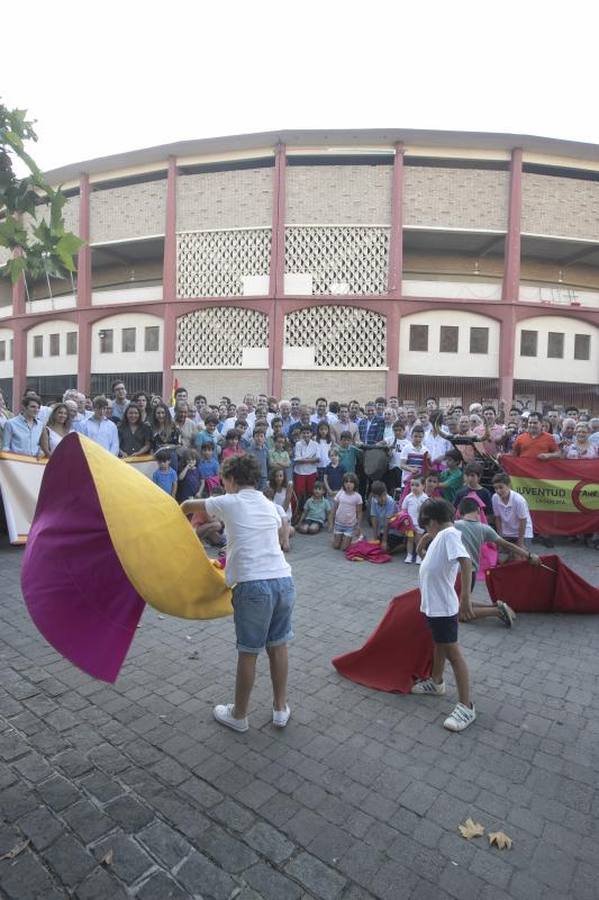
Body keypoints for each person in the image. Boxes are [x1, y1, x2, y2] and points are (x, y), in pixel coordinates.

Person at [182, 454, 295, 733]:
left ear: (230, 480)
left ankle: (239, 715)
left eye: (224, 480)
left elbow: (185, 505)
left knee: (248, 652)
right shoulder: (269, 504)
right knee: (278, 645)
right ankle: (280, 709)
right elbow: (282, 530)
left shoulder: (228, 501)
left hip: (253, 585)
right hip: (283, 579)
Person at [411, 498, 475, 733]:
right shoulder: (442, 535)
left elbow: (466, 562)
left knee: (454, 654)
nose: (425, 529)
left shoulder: (449, 535)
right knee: (439, 645)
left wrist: (466, 597)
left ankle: (466, 705)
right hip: (434, 606)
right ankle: (436, 682)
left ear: (435, 521)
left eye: (426, 525)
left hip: (444, 607)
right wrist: (427, 539)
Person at [453, 497, 540, 626]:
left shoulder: (455, 525)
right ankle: (495, 606)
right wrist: (529, 555)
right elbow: (508, 545)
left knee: (459, 613)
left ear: (460, 512)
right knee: (457, 601)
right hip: (471, 575)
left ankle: (496, 611)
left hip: (457, 573)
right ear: (478, 510)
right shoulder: (485, 528)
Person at [491, 473, 533, 554]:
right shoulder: (494, 498)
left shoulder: (519, 500)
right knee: (499, 556)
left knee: (519, 556)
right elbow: (498, 518)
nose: (498, 491)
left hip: (523, 533)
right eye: (496, 488)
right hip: (507, 532)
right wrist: (500, 537)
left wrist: (520, 543)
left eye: (501, 487)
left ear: (508, 485)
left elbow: (523, 522)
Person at [331, 473, 363, 550]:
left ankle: (352, 539)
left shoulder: (357, 497)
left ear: (355, 484)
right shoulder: (340, 493)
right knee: (336, 546)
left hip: (350, 525)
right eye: (346, 482)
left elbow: (359, 512)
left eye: (351, 482)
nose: (348, 484)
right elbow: (334, 508)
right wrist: (331, 521)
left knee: (344, 548)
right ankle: (338, 537)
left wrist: (358, 526)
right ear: (343, 483)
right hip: (338, 523)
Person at [401, 476, 427, 563]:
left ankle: (419, 556)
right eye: (412, 485)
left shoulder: (425, 498)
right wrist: (405, 518)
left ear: (423, 486)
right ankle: (409, 555)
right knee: (410, 540)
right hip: (410, 523)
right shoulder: (408, 497)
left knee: (419, 540)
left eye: (417, 485)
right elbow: (404, 510)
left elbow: (428, 511)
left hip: (420, 524)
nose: (414, 487)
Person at [369, 480, 401, 553]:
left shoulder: (390, 501)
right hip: (383, 530)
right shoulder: (374, 500)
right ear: (374, 496)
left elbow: (388, 523)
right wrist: (375, 536)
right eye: (380, 496)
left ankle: (403, 545)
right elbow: (374, 518)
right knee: (376, 547)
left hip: (394, 531)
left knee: (385, 550)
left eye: (384, 494)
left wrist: (384, 541)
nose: (383, 498)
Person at [292, 425, 320, 507]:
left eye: (308, 433)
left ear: (311, 434)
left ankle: (310, 509)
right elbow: (297, 459)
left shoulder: (315, 444)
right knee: (299, 493)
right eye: (304, 433)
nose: (306, 435)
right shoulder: (298, 444)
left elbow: (318, 459)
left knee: (311, 492)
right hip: (300, 472)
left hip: (312, 472)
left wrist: (304, 459)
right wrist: (311, 459)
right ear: (301, 434)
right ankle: (298, 510)